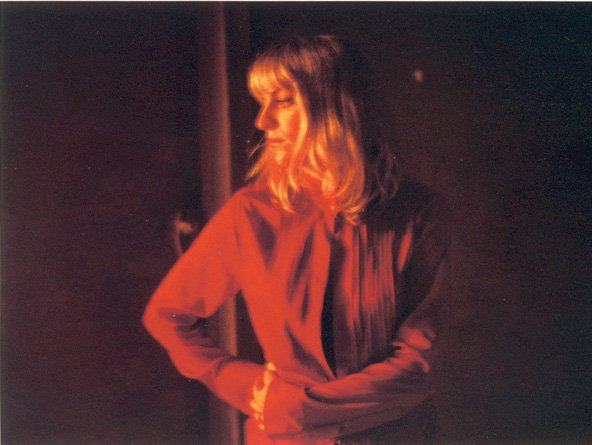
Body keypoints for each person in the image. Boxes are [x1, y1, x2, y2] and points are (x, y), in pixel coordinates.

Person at [143, 35, 450, 445]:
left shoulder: (420, 213)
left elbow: (419, 361)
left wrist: (295, 409)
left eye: (283, 101)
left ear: (337, 108)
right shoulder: (251, 212)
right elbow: (167, 315)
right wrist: (244, 384)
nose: (262, 121)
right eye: (261, 102)